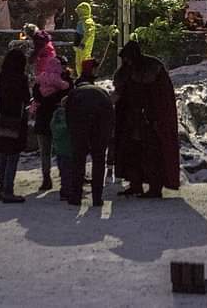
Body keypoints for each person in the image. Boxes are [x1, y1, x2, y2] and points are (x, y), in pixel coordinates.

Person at [113, 41, 180, 198]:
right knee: (131, 153)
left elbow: (161, 98)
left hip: (150, 121)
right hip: (130, 120)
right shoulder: (126, 72)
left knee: (151, 154)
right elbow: (122, 93)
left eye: (129, 58)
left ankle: (155, 187)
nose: (127, 62)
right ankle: (135, 184)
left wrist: (154, 116)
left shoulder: (152, 68)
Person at [66, 60, 115, 206]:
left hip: (79, 125)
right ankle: (97, 197)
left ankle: (76, 196)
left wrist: (73, 134)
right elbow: (110, 115)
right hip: (100, 126)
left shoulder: (74, 93)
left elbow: (69, 117)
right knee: (98, 160)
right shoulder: (102, 93)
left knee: (79, 159)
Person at [31, 32, 70, 191]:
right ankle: (64, 178)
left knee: (44, 153)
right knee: (62, 151)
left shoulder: (38, 86)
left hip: (42, 121)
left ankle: (46, 178)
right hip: (59, 123)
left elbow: (36, 99)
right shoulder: (63, 86)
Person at [0, 48, 29, 203]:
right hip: (16, 120)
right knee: (12, 156)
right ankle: (8, 190)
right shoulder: (21, 78)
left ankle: (2, 188)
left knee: (3, 157)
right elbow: (26, 98)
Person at [50, 95, 74, 202]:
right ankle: (67, 191)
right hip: (68, 147)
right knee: (68, 171)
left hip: (59, 147)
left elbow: (52, 127)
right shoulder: (69, 116)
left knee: (63, 170)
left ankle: (65, 190)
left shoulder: (56, 115)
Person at [73, 2, 96, 70]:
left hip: (83, 47)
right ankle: (80, 77)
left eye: (79, 11)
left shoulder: (88, 22)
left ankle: (83, 78)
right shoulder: (82, 21)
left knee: (83, 63)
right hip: (80, 47)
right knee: (79, 64)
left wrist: (83, 43)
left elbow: (88, 34)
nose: (78, 14)